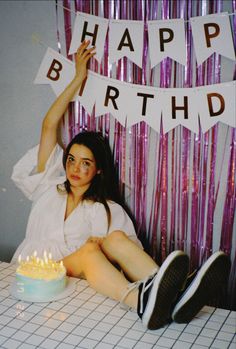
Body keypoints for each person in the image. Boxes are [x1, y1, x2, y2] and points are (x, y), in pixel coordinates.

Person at [11, 40, 231, 330]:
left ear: (98, 169)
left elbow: (118, 260)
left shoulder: (105, 209)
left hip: (74, 278)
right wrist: (78, 77)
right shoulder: (49, 184)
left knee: (113, 238)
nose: (75, 169)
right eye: (72, 160)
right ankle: (148, 298)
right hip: (38, 274)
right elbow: (49, 125)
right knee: (91, 250)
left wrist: (101, 244)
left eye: (86, 163)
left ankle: (174, 294)